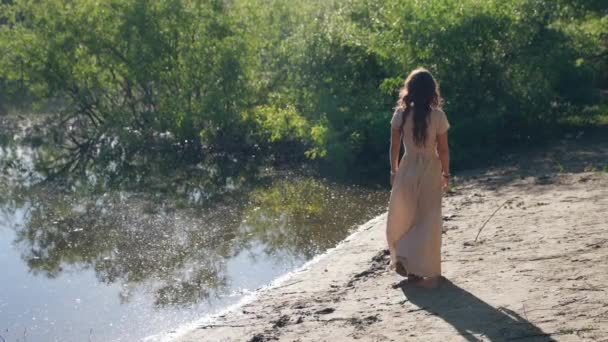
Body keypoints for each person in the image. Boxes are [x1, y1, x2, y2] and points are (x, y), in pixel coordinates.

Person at [386, 68, 450, 288]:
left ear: (409, 90)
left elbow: (394, 147)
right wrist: (445, 173)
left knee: (405, 215)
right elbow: (443, 150)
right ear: (432, 90)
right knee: (428, 219)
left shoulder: (400, 115)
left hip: (408, 168)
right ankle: (421, 265)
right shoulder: (438, 116)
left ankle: (407, 261)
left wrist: (393, 170)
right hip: (430, 169)